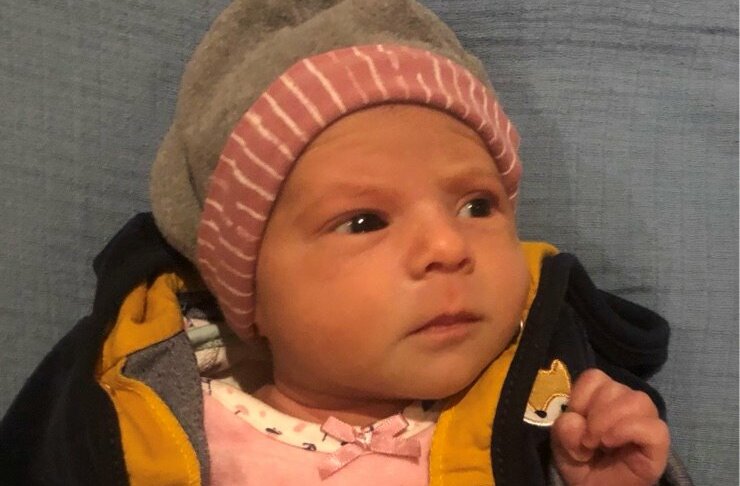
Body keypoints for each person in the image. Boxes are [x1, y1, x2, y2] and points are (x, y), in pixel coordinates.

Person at [0, 1, 693, 485]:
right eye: (364, 222)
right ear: (251, 294)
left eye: (478, 205)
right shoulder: (134, 425)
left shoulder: (548, 411)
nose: (447, 245)